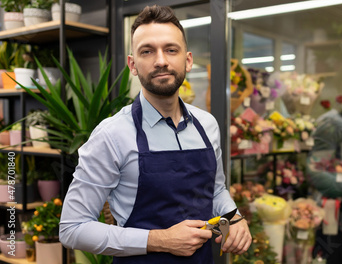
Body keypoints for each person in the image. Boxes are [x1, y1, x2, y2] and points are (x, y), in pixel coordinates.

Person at [59, 5, 252, 263]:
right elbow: (72, 228)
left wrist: (234, 217)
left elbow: (215, 190)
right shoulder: (112, 134)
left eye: (171, 50)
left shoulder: (207, 125)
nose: (161, 60)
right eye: (147, 51)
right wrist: (158, 240)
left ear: (188, 59)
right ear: (133, 64)